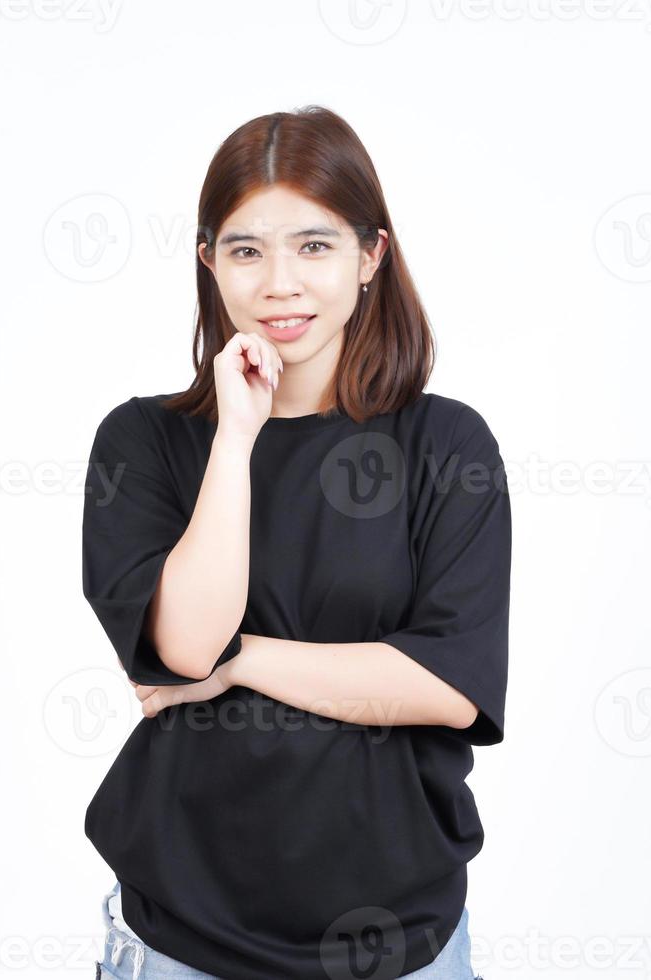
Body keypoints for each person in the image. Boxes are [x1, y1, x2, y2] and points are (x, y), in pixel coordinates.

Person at [83, 105, 509, 980]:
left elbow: (445, 687)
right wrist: (236, 435)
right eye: (246, 250)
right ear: (210, 264)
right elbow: (184, 644)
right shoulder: (143, 443)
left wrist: (239, 665)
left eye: (313, 246)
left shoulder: (446, 447)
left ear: (370, 257)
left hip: (402, 940)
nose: (279, 283)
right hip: (182, 935)